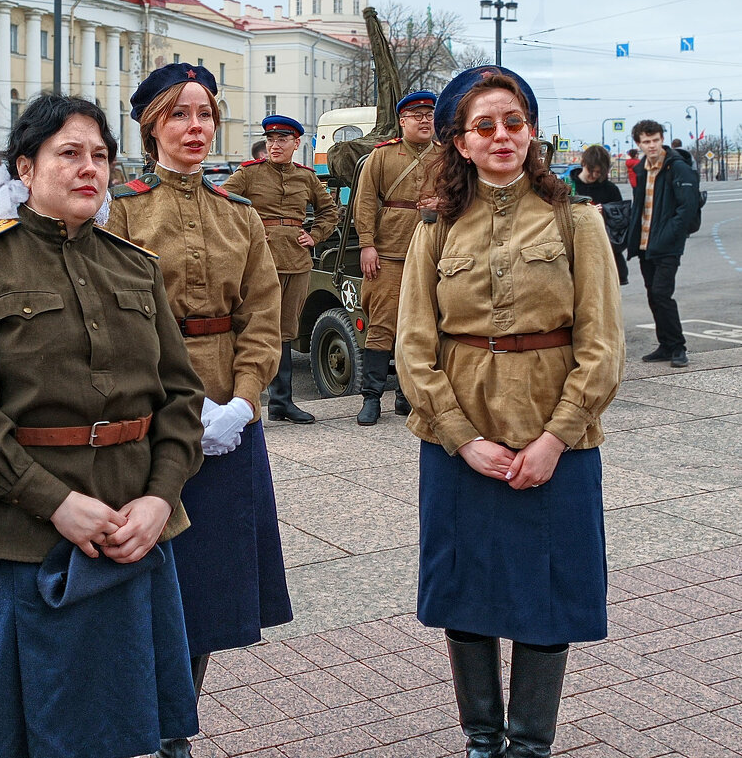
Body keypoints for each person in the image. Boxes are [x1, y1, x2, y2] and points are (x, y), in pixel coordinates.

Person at [0, 94, 205, 758]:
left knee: (118, 722)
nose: (89, 168)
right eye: (69, 153)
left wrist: (160, 497)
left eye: (100, 155)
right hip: (24, 537)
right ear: (25, 167)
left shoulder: (134, 265)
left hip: (132, 529)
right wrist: (55, 502)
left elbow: (180, 397)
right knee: (20, 731)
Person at [396, 66, 624, 758]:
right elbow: (412, 348)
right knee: (463, 594)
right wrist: (462, 439)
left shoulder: (575, 220)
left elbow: (602, 342)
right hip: (458, 446)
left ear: (532, 133)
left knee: (546, 596)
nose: (502, 136)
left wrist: (555, 438)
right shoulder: (435, 229)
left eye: (513, 122)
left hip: (553, 445)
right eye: (484, 126)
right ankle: (480, 739)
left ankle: (527, 744)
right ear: (459, 143)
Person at [109, 63, 292, 758]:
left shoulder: (237, 214)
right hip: (148, 421)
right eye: (180, 114)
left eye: (205, 114)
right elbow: (116, 323)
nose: (195, 127)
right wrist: (165, 412)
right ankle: (146, 719)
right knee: (151, 578)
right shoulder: (122, 210)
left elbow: (261, 314)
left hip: (226, 424)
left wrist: (243, 402)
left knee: (207, 583)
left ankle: (175, 726)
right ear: (152, 124)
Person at [223, 114, 338, 423]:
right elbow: (222, 204)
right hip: (261, 262)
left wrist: (314, 236)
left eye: (282, 140)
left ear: (295, 144)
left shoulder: (306, 177)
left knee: (285, 331)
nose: (274, 145)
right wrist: (249, 233)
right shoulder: (249, 174)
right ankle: (242, 400)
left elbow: (329, 211)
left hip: (297, 261)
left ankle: (281, 402)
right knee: (255, 328)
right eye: (271, 140)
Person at [353, 90, 443, 426]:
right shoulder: (382, 156)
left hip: (432, 252)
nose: (424, 120)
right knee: (381, 326)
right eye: (416, 115)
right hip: (388, 252)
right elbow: (363, 201)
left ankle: (408, 397)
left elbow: (463, 199)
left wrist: (442, 206)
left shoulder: (447, 157)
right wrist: (366, 244)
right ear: (402, 121)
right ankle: (372, 398)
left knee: (423, 327)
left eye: (429, 115)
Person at [626, 119, 699, 369]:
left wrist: (671, 234)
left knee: (661, 293)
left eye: (655, 139)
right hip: (646, 243)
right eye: (646, 141)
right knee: (653, 295)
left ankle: (678, 346)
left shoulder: (677, 167)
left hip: (667, 244)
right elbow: (640, 207)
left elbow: (687, 207)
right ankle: (665, 345)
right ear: (638, 144)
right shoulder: (641, 169)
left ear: (662, 139)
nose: (652, 145)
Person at [568, 144, 626, 284]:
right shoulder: (568, 186)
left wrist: (605, 212)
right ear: (583, 163)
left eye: (599, 172)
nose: (594, 176)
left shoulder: (610, 189)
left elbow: (621, 223)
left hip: (604, 252)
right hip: (575, 251)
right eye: (591, 170)